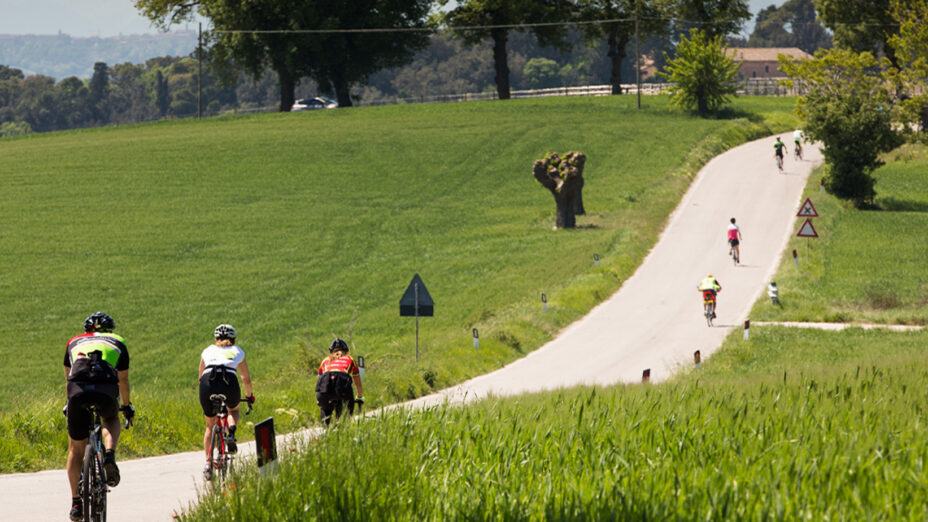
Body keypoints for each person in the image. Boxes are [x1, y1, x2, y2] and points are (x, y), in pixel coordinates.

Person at [64, 312, 134, 521]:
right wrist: (127, 406)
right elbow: (123, 380)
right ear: (110, 330)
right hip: (105, 389)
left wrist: (69, 404)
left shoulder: (73, 342)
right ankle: (109, 454)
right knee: (111, 419)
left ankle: (76, 502)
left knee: (75, 449)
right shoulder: (118, 341)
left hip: (77, 390)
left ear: (87, 330)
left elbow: (68, 376)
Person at [198, 324, 254, 477]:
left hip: (207, 383)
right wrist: (249, 396)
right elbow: (246, 379)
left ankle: (208, 463)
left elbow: (200, 376)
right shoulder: (237, 351)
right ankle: (231, 433)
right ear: (233, 339)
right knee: (233, 410)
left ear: (216, 339)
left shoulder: (207, 350)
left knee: (210, 425)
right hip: (229, 382)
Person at [315, 338, 364, 426]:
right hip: (342, 383)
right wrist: (359, 396)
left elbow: (319, 380)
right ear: (346, 350)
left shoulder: (325, 360)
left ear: (331, 351)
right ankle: (343, 426)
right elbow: (357, 381)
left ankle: (326, 429)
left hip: (325, 384)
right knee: (346, 411)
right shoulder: (350, 359)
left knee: (325, 408)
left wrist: (319, 399)